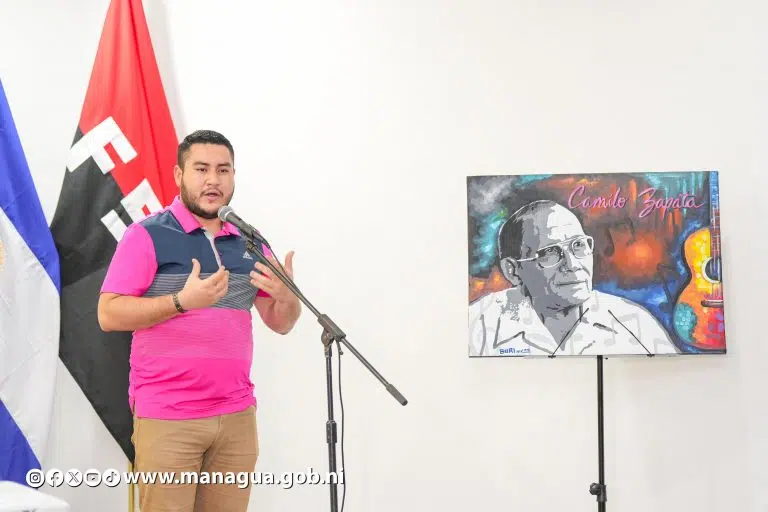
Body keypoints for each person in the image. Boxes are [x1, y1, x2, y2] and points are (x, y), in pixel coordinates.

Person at [97, 129, 301, 511]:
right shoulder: (147, 235)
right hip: (168, 417)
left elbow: (280, 322)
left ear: (234, 176)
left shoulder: (251, 241)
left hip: (237, 417)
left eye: (223, 170)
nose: (213, 180)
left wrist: (288, 297)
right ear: (179, 174)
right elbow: (108, 314)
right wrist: (181, 302)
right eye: (201, 169)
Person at [469, 200, 679, 357]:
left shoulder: (633, 323)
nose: (572, 264)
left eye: (578, 245)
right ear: (513, 271)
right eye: (550, 252)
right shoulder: (480, 325)